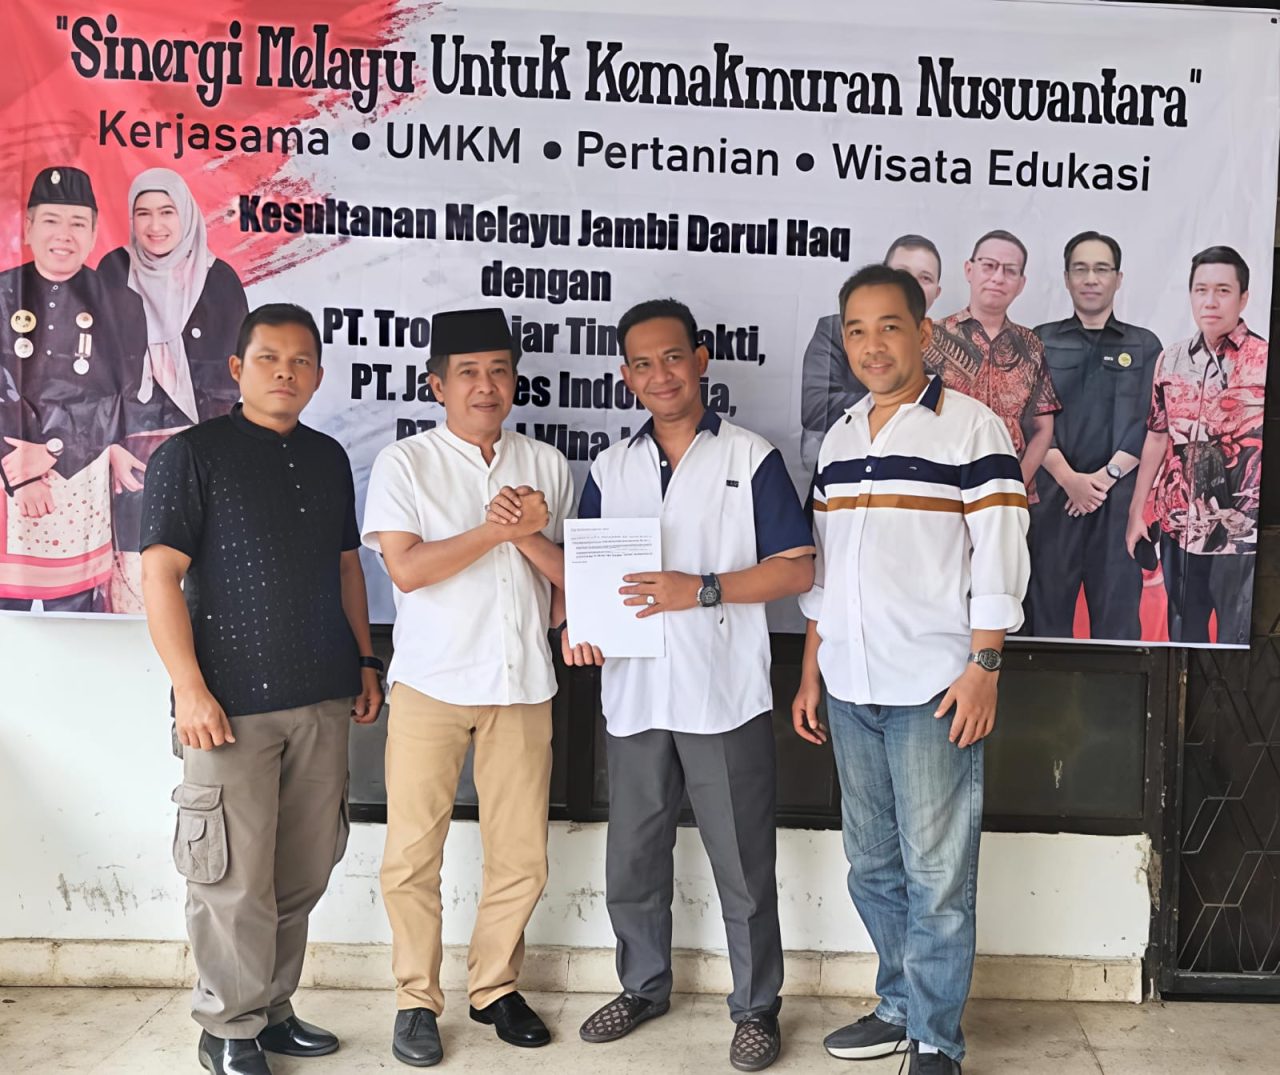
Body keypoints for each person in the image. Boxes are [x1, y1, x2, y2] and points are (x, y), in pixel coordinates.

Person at [793, 265, 1029, 1074]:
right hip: (850, 686)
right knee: (872, 865)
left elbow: (1000, 555)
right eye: (856, 330)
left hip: (935, 689)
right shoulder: (841, 436)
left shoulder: (971, 429)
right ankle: (899, 1004)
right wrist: (811, 672)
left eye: (889, 326)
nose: (872, 345)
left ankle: (935, 1037)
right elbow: (825, 571)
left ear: (925, 333)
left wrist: (985, 666)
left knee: (937, 874)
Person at [570, 299, 814, 1072]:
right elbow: (588, 578)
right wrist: (580, 622)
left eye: (673, 357)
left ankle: (756, 1007)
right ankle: (642, 985)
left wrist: (700, 588)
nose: (661, 374)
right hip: (635, 694)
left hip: (723, 692)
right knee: (633, 857)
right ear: (626, 376)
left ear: (701, 359)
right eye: (642, 363)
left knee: (742, 863)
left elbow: (796, 569)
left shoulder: (750, 456)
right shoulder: (610, 467)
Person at [141, 303, 383, 1075]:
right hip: (228, 706)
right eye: (270, 357)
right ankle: (228, 1027)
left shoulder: (327, 456)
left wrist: (365, 660)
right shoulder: (191, 455)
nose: (286, 371)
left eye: (301, 359)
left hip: (321, 695)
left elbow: (346, 566)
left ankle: (273, 1010)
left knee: (303, 868)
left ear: (318, 373)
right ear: (237, 368)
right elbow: (159, 574)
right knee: (232, 878)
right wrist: (189, 689)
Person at [361, 308, 573, 1068]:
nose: (487, 386)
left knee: (521, 854)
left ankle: (495, 987)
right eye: (469, 373)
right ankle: (416, 1000)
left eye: (500, 371)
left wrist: (529, 533)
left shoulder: (546, 463)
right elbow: (407, 570)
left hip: (523, 682)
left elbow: (568, 586)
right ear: (437, 385)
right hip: (432, 684)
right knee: (413, 854)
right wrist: (496, 530)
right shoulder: (406, 463)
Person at [100, 167, 249, 611]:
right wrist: (108, 445)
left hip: (204, 451)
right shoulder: (113, 270)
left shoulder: (219, 280)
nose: (155, 225)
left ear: (186, 214)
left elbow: (236, 382)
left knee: (205, 575)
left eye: (166, 211)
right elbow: (95, 371)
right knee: (136, 579)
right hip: (128, 455)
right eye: (143, 213)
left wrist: (214, 456)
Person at [0, 166, 147, 612]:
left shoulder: (121, 303)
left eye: (77, 223)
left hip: (80, 476)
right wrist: (19, 468)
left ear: (94, 233)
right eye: (51, 220)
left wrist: (57, 449)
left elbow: (123, 393)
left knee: (76, 614)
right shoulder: (2, 292)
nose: (64, 234)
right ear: (28, 226)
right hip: (5, 474)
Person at [1125, 246, 1266, 645]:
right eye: (1201, 290)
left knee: (1236, 640)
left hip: (1243, 536)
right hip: (1180, 528)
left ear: (1243, 298)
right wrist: (1137, 510)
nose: (1210, 301)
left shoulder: (1263, 360)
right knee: (1184, 634)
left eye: (1223, 290)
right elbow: (1157, 435)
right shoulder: (1170, 360)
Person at [1028, 232, 1161, 639]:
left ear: (1118, 279)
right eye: (1080, 269)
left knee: (1118, 627)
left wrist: (1104, 479)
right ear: (1066, 278)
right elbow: (1027, 418)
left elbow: (1152, 421)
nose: (1091, 279)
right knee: (1044, 624)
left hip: (1117, 507)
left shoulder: (1144, 344)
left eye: (1101, 269)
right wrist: (1069, 479)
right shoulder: (1039, 340)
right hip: (1053, 503)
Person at [926, 230, 1060, 504]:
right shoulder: (931, 337)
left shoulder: (1031, 344)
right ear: (969, 270)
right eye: (989, 266)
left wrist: (1015, 487)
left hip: (1010, 496)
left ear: (1021, 284)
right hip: (941, 495)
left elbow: (1043, 428)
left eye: (1010, 271)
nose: (998, 278)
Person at [800, 234, 944, 471]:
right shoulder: (835, 331)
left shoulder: (953, 342)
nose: (912, 285)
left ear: (937, 291)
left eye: (925, 278)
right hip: (848, 465)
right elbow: (817, 407)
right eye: (902, 274)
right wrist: (896, 402)